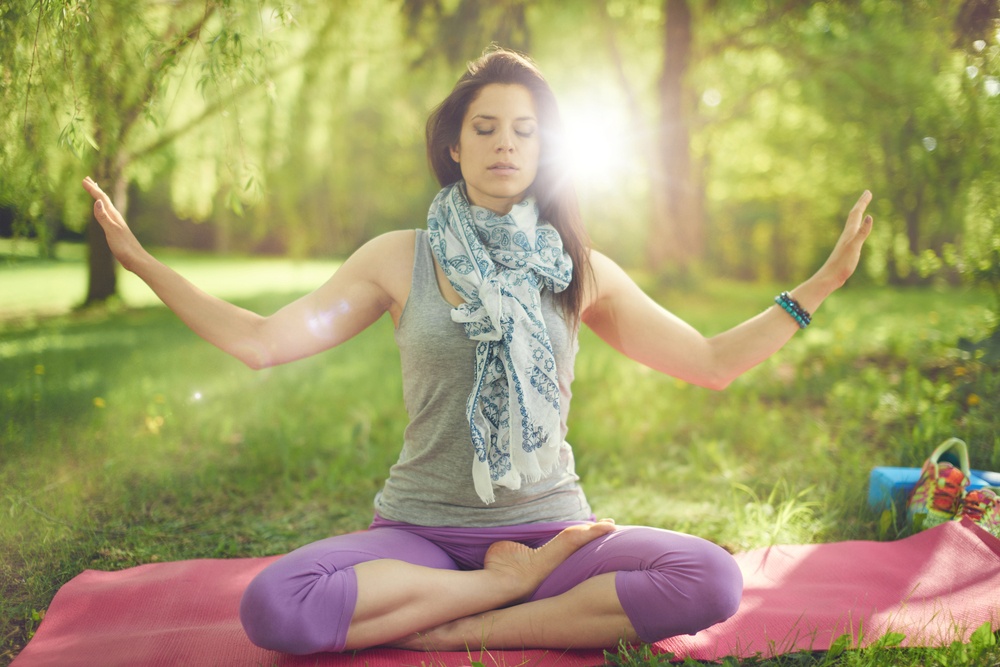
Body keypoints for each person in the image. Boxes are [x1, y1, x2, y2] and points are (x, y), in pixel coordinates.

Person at [81, 46, 874, 655]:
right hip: (418, 532)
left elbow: (710, 361)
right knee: (274, 604)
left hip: (549, 534)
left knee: (711, 576)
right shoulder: (398, 257)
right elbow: (260, 342)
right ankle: (494, 594)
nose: (506, 144)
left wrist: (821, 284)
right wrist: (146, 265)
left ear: (545, 150)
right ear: (454, 147)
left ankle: (476, 622)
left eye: (526, 131)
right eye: (485, 128)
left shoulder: (579, 269)